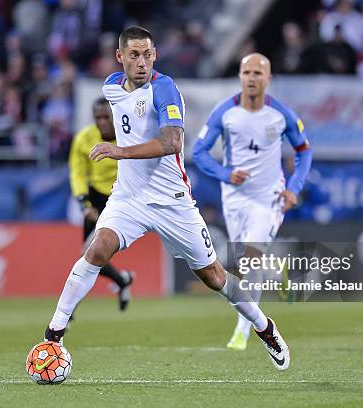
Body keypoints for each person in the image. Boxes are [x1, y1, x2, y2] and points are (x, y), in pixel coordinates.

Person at [44, 26, 290, 371]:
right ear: (120, 58)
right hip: (128, 198)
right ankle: (53, 335)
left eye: (147, 54)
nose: (142, 62)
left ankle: (266, 329)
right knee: (97, 249)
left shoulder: (165, 89)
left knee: (215, 278)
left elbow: (172, 142)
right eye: (134, 55)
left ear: (155, 55)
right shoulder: (111, 87)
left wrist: (119, 151)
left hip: (172, 201)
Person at [192, 53, 313, 351]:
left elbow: (304, 152)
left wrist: (294, 188)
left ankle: (243, 331)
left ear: (268, 79)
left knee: (249, 259)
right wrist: (225, 173)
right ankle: (276, 271)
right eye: (246, 72)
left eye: (258, 73)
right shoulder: (225, 112)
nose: (251, 78)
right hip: (234, 199)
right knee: (243, 265)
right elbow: (198, 151)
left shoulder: (281, 115)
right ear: (240, 76)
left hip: (268, 197)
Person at [69, 97, 134, 312]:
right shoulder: (84, 138)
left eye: (107, 117)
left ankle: (67, 316)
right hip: (96, 198)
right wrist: (84, 203)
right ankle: (122, 281)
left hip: (123, 195)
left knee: (90, 254)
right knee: (87, 255)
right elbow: (78, 172)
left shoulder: (130, 135)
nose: (103, 122)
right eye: (98, 118)